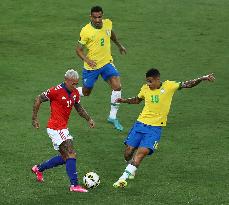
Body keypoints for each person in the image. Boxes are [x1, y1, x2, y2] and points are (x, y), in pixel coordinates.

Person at [113, 68, 215, 188]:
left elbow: (188, 84)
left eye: (150, 81)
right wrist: (124, 100)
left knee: (141, 154)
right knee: (128, 152)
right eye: (147, 81)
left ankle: (123, 178)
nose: (148, 84)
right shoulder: (145, 88)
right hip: (140, 124)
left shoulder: (169, 86)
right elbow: (137, 100)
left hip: (155, 129)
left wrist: (202, 78)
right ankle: (130, 167)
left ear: (157, 79)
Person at [31, 69, 95, 193]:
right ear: (66, 80)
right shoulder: (55, 91)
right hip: (55, 127)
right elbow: (38, 98)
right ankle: (74, 185)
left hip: (62, 127)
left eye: (77, 83)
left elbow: (79, 108)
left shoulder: (75, 92)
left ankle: (38, 169)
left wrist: (89, 119)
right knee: (71, 153)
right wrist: (34, 118)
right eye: (73, 83)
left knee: (66, 157)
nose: (75, 86)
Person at [76, 5, 127, 131]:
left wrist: (119, 45)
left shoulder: (107, 23)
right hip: (91, 67)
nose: (98, 20)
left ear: (102, 16)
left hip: (106, 63)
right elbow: (78, 49)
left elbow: (111, 34)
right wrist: (87, 60)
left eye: (100, 17)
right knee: (87, 92)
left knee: (117, 86)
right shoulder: (86, 30)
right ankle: (69, 91)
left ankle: (112, 116)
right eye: (95, 17)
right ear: (91, 17)